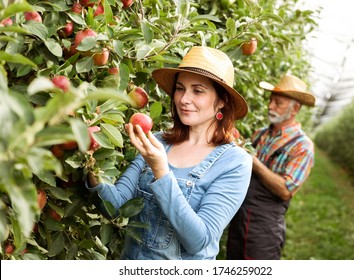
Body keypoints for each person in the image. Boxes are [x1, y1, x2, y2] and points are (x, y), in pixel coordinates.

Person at [86, 46, 252, 260]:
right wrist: (88, 159)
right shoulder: (157, 142)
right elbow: (116, 207)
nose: (184, 99)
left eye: (198, 91)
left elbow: (199, 241)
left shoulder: (235, 162)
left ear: (221, 101)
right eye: (180, 88)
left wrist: (161, 172)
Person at [226, 74, 315, 260]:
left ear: (294, 109)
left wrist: (254, 162)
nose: (270, 106)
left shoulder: (302, 146)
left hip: (264, 228)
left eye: (278, 103)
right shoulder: (260, 135)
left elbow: (285, 190)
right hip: (239, 218)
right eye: (271, 100)